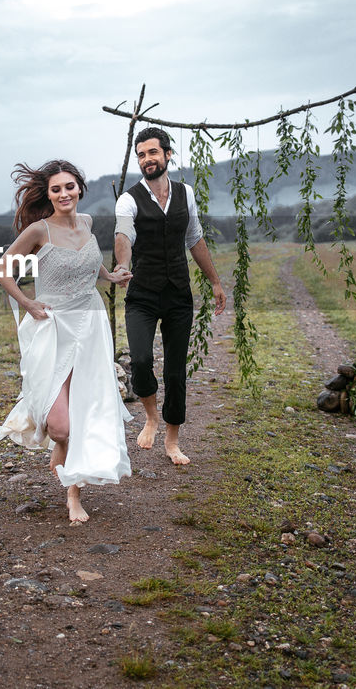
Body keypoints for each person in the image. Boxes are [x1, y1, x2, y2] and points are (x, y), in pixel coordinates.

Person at [0, 159, 134, 525]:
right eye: (56, 189)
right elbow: (3, 270)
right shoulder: (38, 231)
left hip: (89, 326)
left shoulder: (87, 223)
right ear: (49, 194)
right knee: (60, 427)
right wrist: (27, 302)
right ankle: (61, 449)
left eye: (69, 186)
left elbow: (89, 264)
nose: (64, 194)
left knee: (86, 407)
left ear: (79, 188)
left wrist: (111, 275)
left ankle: (74, 494)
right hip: (53, 328)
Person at [113, 127, 226, 466]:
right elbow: (123, 233)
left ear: (167, 155)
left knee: (176, 371)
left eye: (152, 153)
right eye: (142, 155)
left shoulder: (185, 194)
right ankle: (150, 416)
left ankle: (172, 440)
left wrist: (215, 282)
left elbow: (195, 238)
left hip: (178, 294)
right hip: (143, 295)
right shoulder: (128, 198)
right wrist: (122, 264)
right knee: (143, 360)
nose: (147, 159)